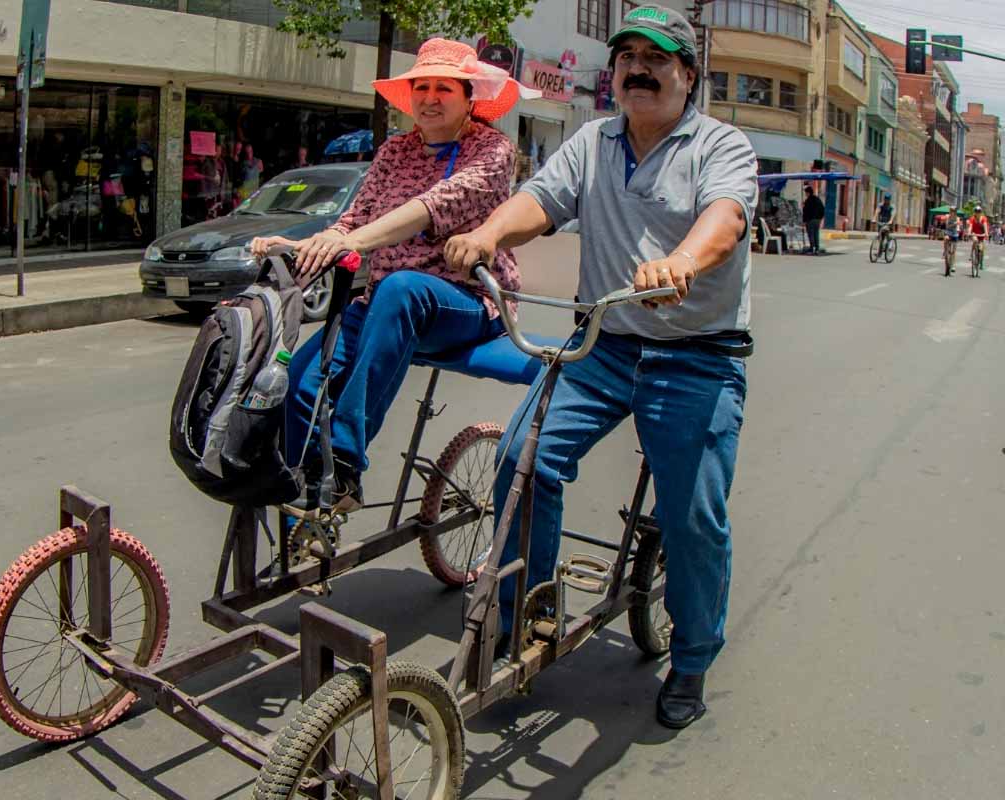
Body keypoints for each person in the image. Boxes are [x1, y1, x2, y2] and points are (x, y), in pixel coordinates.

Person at [446, 4, 757, 730]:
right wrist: (488, 231)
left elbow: (727, 218)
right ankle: (530, 608)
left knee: (693, 515)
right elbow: (540, 200)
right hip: (606, 345)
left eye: (658, 58)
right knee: (524, 454)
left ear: (688, 74)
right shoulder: (592, 141)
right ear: (613, 73)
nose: (639, 69)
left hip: (697, 354)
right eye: (627, 58)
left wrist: (681, 262)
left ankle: (694, 655)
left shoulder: (721, 144)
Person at [250, 38, 538, 514]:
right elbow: (352, 221)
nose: (429, 97)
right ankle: (303, 490)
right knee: (299, 381)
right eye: (420, 87)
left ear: (469, 98)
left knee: (402, 289)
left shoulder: (492, 149)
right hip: (385, 303)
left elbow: (432, 207)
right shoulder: (393, 152)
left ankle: (344, 465)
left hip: (465, 302)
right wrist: (301, 245)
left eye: (443, 87)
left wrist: (355, 243)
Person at [802, 185, 825, 255]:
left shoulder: (808, 201)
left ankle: (812, 248)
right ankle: (817, 248)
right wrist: (820, 218)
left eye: (806, 193)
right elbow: (822, 209)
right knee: (816, 234)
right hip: (817, 220)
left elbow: (805, 211)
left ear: (808, 193)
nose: (805, 194)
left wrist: (804, 221)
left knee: (811, 234)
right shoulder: (817, 199)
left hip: (810, 220)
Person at [968, 204, 990, 274]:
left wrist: (986, 233)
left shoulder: (983, 218)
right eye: (976, 211)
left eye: (979, 211)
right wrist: (969, 232)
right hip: (975, 234)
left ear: (981, 212)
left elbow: (985, 226)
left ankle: (981, 261)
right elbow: (970, 226)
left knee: (981, 249)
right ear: (975, 212)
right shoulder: (972, 218)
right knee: (975, 240)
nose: (977, 213)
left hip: (982, 235)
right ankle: (971, 255)